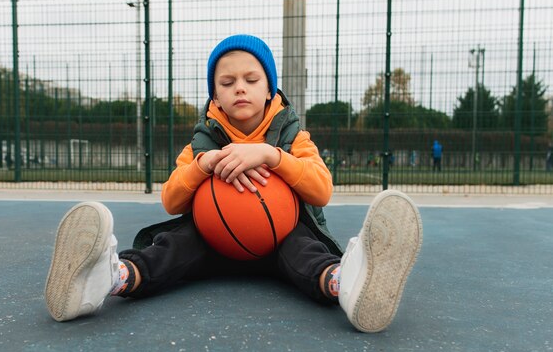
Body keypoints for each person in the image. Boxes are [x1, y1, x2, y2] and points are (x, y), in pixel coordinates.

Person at [44, 35, 423, 333]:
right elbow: (171, 201)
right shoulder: (202, 143)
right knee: (172, 246)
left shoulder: (294, 138)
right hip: (213, 242)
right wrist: (203, 165)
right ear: (216, 96)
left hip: (279, 242)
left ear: (270, 90)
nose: (239, 88)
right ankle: (107, 278)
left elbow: (322, 190)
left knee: (305, 250)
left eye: (251, 79)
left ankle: (350, 283)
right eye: (227, 82)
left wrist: (273, 156)